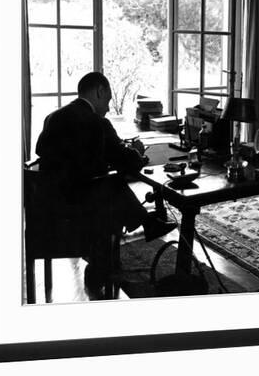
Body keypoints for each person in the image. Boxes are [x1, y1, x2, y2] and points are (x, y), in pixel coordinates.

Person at [35, 71, 177, 290]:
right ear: (100, 92)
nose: (109, 107)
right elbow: (128, 162)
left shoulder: (52, 117)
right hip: (82, 210)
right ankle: (131, 238)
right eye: (109, 100)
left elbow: (43, 152)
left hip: (49, 209)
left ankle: (141, 228)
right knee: (113, 185)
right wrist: (137, 152)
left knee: (109, 184)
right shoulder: (96, 122)